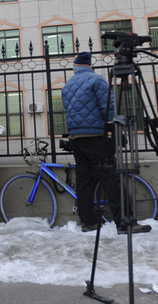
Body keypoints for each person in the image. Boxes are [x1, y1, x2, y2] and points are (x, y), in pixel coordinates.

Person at [62, 51, 151, 234]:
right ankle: (125, 223)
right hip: (95, 136)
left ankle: (89, 222)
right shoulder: (97, 80)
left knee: (84, 180)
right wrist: (114, 130)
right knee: (111, 177)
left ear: (75, 67)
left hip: (76, 137)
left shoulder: (67, 85)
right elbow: (108, 107)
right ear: (90, 65)